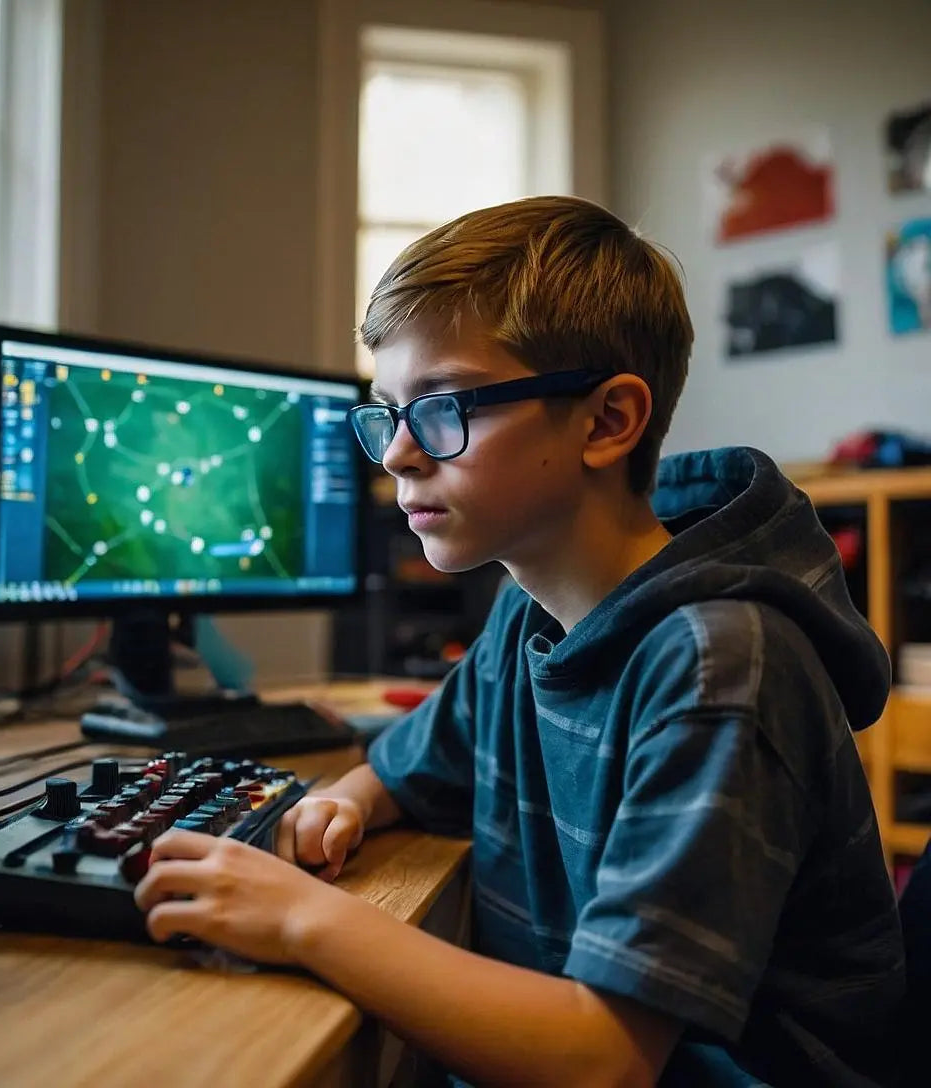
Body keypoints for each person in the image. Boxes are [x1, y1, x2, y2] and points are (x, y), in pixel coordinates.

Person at [134, 197, 904, 1086]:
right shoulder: (526, 614)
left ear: (609, 422)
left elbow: (603, 1059)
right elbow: (398, 772)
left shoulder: (719, 663)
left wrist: (308, 918)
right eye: (388, 413)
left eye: (444, 407)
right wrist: (343, 800)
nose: (397, 457)